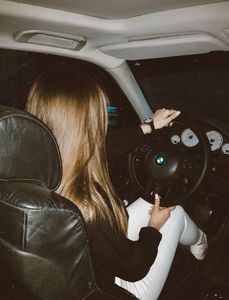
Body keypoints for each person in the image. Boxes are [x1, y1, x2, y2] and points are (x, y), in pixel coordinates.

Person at [26, 69, 208, 300]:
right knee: (173, 213)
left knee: (150, 203)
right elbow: (133, 268)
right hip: (113, 290)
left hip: (80, 273)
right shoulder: (85, 205)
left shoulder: (36, 166)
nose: (104, 117)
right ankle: (203, 246)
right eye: (100, 112)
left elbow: (101, 146)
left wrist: (149, 126)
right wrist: (153, 229)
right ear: (88, 123)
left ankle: (199, 242)